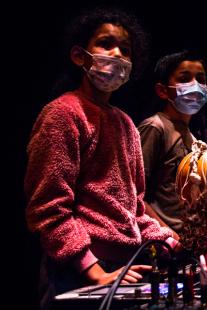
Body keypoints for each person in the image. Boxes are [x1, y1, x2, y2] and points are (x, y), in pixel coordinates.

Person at [24, 7, 178, 309]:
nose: (118, 54)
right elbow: (48, 209)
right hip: (77, 272)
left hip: (125, 267)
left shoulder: (125, 124)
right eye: (106, 44)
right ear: (80, 56)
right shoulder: (63, 114)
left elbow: (132, 208)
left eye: (126, 49)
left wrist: (168, 240)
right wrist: (93, 271)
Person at [138, 50, 207, 233]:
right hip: (166, 245)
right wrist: (167, 235)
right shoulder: (155, 127)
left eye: (200, 79)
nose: (195, 85)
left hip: (190, 241)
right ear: (162, 90)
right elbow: (135, 194)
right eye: (185, 79)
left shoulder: (192, 137)